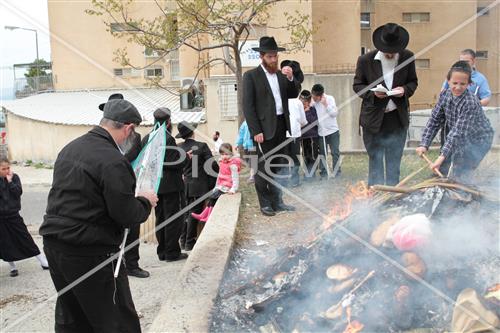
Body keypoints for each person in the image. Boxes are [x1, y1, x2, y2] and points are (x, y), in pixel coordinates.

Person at [39, 99, 158, 332]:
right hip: (90, 251)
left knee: (73, 316)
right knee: (116, 319)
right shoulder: (113, 160)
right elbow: (126, 214)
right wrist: (145, 201)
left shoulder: (71, 147)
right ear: (129, 129)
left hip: (55, 244)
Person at [353, 22, 418, 186]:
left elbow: (413, 82)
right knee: (375, 160)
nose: (390, 54)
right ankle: (375, 196)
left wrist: (404, 90)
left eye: (393, 51)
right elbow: (357, 86)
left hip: (397, 118)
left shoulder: (407, 57)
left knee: (394, 162)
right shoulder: (365, 60)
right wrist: (373, 94)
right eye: (387, 51)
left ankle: (392, 195)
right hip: (373, 120)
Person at [242, 36, 301, 217]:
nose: (274, 59)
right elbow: (248, 106)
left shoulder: (281, 76)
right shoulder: (251, 76)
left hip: (282, 125)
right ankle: (265, 203)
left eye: (275, 56)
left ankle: (278, 201)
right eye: (270, 57)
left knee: (279, 164)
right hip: (263, 129)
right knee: (262, 167)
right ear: (262, 56)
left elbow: (293, 93)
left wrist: (291, 78)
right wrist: (255, 130)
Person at [99, 93, 149, 279]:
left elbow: (133, 155)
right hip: (106, 185)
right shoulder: (98, 137)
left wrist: (117, 163)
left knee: (131, 226)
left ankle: (132, 264)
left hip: (127, 182)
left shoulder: (134, 137)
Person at [416, 61, 494, 180]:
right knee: (442, 169)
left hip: (478, 140)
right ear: (448, 81)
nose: (458, 87)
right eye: (454, 83)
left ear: (469, 84)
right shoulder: (445, 95)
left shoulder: (470, 102)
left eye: (463, 83)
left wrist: (441, 157)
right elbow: (434, 120)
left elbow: (458, 133)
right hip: (458, 135)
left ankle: (463, 192)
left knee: (460, 172)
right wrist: (424, 144)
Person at [438, 49, 492, 175]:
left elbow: (486, 98)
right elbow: (443, 95)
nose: (457, 87)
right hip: (452, 121)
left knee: (462, 165)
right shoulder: (453, 75)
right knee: (448, 148)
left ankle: (460, 180)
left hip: (470, 126)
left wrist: (470, 108)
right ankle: (444, 175)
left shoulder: (480, 79)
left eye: (466, 61)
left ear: (473, 61)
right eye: (461, 61)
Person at [147, 108, 188, 262]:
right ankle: (172, 252)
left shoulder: (148, 137)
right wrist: (186, 157)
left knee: (160, 218)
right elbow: (173, 163)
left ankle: (162, 251)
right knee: (173, 219)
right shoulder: (167, 138)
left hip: (156, 186)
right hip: (171, 186)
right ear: (169, 122)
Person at [0, 156, 49, 277]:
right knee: (5, 242)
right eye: (3, 169)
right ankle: (12, 267)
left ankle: (43, 261)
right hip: (1, 217)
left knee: (25, 237)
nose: (6, 171)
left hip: (13, 215)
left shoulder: (14, 177)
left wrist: (10, 181)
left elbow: (18, 193)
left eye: (8, 168)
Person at [177, 121, 214, 251]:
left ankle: (183, 241)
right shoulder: (202, 146)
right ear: (193, 132)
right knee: (194, 213)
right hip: (199, 185)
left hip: (184, 185)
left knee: (186, 213)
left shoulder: (178, 148)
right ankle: (189, 242)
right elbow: (212, 165)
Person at [191, 143, 241, 222]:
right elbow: (219, 176)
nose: (224, 156)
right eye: (222, 154)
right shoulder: (222, 163)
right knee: (211, 197)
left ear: (231, 154)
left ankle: (208, 216)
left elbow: (235, 178)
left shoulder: (232, 165)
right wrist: (216, 186)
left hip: (227, 186)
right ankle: (203, 215)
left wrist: (233, 189)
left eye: (227, 154)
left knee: (213, 197)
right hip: (221, 186)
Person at [311, 84, 340, 179]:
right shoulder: (313, 102)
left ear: (321, 96)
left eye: (315, 97)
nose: (314, 98)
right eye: (313, 96)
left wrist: (326, 104)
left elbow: (334, 113)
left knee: (335, 152)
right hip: (321, 132)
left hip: (333, 131)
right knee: (322, 153)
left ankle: (337, 172)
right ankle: (323, 172)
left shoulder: (330, 99)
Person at [286, 94, 308, 187]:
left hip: (283, 134)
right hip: (294, 133)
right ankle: (295, 180)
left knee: (284, 157)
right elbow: (303, 120)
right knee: (294, 157)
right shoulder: (297, 102)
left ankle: (283, 180)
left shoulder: (281, 99)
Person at [299, 90, 320, 180]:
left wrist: (307, 112)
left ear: (308, 102)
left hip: (312, 136)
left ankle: (312, 174)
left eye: (304, 102)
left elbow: (314, 122)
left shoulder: (312, 110)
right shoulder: (299, 111)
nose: (303, 104)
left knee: (312, 156)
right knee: (305, 156)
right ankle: (307, 174)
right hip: (303, 137)